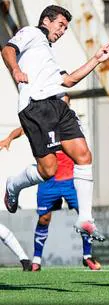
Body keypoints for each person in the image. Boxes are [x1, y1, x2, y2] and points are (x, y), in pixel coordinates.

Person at [2, 5, 109, 241]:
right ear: (46, 20)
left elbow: (69, 80)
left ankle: (85, 218)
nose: (63, 30)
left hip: (58, 107)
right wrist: (15, 70)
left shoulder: (48, 55)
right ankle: (13, 185)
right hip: (36, 107)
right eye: (61, 24)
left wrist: (96, 59)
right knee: (48, 170)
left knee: (84, 156)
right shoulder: (32, 34)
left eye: (66, 27)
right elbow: (8, 49)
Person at [0, 97, 101, 271]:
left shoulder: (70, 121)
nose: (64, 101)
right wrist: (9, 138)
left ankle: (87, 256)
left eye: (65, 99)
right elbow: (24, 128)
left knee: (84, 215)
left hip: (70, 179)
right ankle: (36, 260)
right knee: (44, 218)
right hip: (49, 180)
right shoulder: (44, 118)